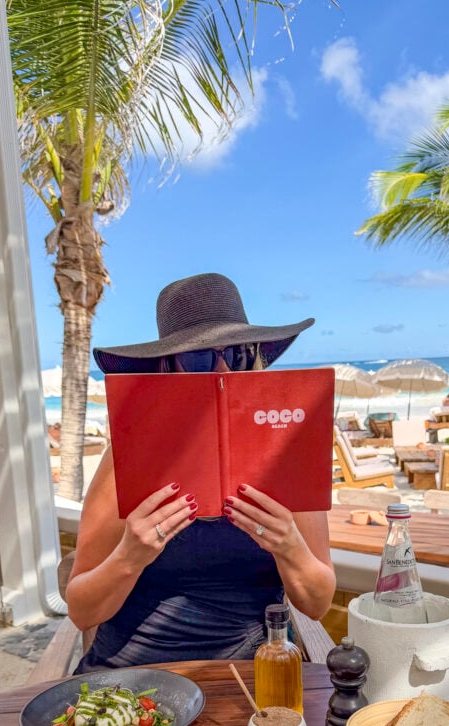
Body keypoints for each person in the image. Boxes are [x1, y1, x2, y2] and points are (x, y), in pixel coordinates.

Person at [67, 272, 336, 672]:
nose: (224, 371)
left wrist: (288, 546)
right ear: (164, 369)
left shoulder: (285, 452)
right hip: (133, 678)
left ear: (256, 361)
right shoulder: (127, 457)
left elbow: (316, 604)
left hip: (248, 677)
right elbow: (82, 612)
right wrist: (130, 555)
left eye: (241, 354)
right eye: (200, 358)